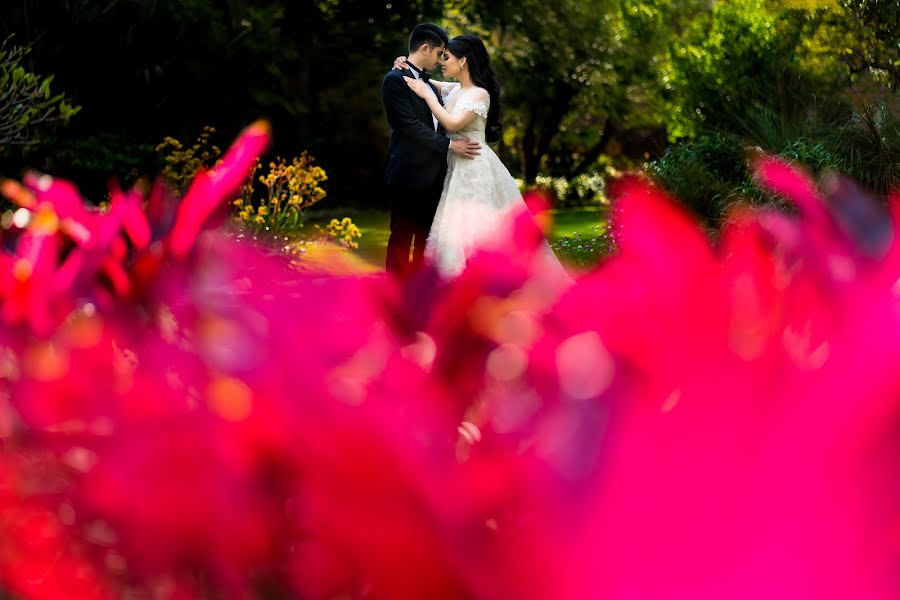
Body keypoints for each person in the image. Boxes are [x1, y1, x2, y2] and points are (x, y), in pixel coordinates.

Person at [398, 35, 571, 280]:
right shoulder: (456, 89)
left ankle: (487, 281)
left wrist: (426, 95)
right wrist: (407, 64)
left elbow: (452, 122)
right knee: (456, 228)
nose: (442, 63)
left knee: (479, 227)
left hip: (475, 166)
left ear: (463, 61)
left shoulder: (479, 95)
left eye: (446, 57)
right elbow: (428, 81)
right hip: (457, 166)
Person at [381, 23, 481, 280]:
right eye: (439, 54)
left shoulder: (425, 80)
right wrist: (449, 145)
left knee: (427, 243)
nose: (440, 61)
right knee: (402, 242)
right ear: (425, 48)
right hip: (407, 175)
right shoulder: (394, 81)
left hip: (436, 176)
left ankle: (418, 301)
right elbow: (410, 126)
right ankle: (393, 301)